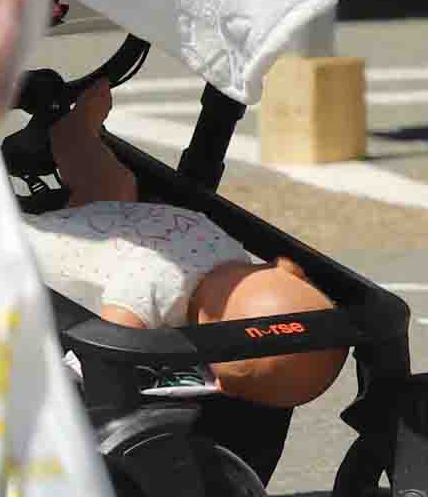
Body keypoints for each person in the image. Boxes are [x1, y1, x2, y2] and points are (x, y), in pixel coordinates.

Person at [26, 81, 344, 409]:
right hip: (25, 257)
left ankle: (74, 134)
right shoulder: (156, 292)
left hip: (105, 223)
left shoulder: (232, 251)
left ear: (286, 269)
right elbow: (109, 342)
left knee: (116, 183)